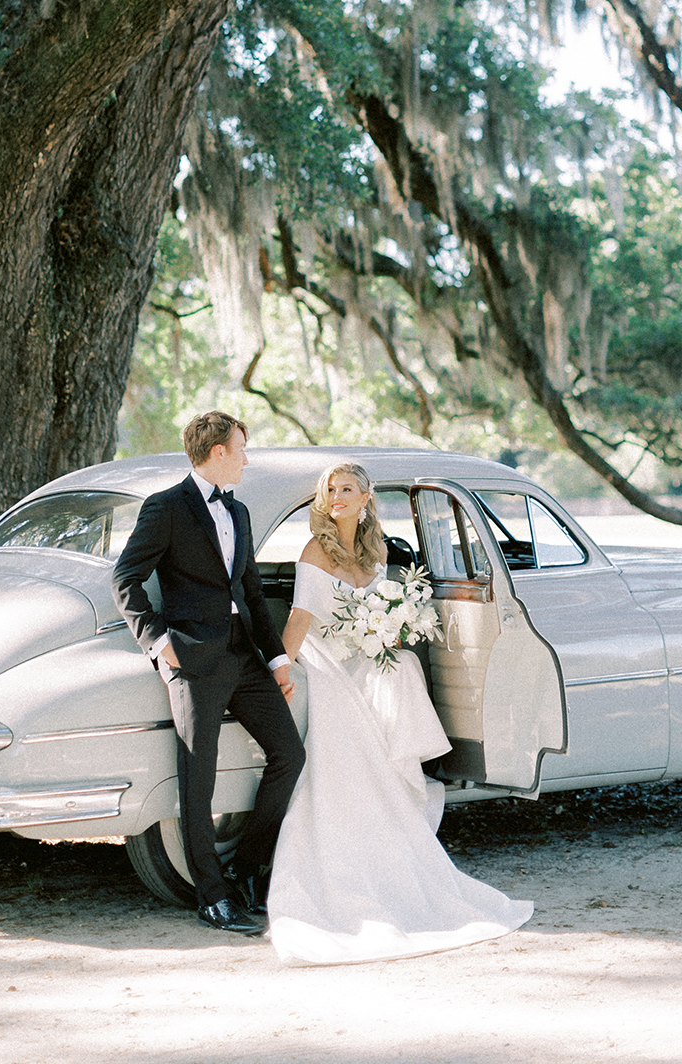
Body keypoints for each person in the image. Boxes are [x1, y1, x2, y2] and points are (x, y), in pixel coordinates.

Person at [266, 461, 534, 965]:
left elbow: (382, 611)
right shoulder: (315, 549)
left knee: (404, 664)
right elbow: (302, 616)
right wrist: (280, 669)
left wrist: (389, 629)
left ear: (366, 497)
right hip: (326, 655)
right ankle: (395, 783)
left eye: (347, 488)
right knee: (387, 677)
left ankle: (406, 772)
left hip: (368, 652)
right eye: (330, 490)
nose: (337, 496)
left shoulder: (377, 551)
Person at [112, 411, 305, 935]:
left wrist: (276, 658)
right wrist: (157, 641)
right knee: (198, 779)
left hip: (245, 657)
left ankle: (246, 869)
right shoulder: (166, 508)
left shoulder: (238, 512)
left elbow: (250, 592)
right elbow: (126, 578)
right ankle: (212, 896)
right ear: (218, 452)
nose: (247, 457)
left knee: (290, 754)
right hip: (193, 660)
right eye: (242, 448)